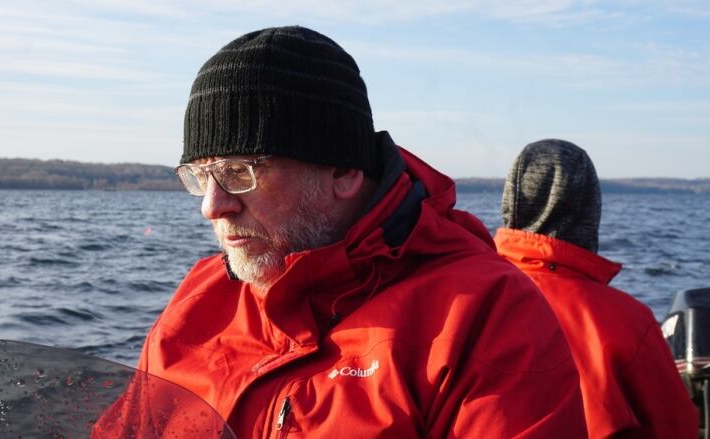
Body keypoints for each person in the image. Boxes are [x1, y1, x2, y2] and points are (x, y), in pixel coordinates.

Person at [97, 27, 587, 438]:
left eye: (241, 172)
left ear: (344, 172)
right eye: (200, 176)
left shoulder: (483, 314)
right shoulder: (200, 298)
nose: (213, 206)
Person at [494, 139, 698, 438]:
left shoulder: (460, 301)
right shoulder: (628, 322)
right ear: (589, 209)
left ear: (511, 201)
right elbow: (676, 428)